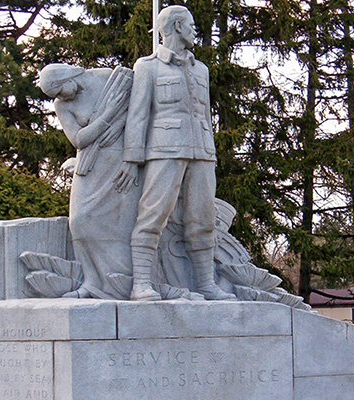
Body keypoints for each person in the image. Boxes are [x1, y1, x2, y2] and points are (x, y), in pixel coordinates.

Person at [114, 6, 236, 301]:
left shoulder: (200, 69)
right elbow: (138, 115)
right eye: (192, 25)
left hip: (202, 152)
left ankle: (206, 284)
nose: (196, 31)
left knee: (203, 219)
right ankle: (141, 283)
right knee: (153, 214)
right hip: (164, 150)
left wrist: (211, 154)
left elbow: (204, 114)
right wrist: (132, 159)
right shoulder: (148, 67)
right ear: (177, 26)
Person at [39, 64, 140, 299]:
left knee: (122, 224)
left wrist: (133, 159)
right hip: (90, 164)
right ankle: (92, 282)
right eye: (54, 95)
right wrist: (107, 118)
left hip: (121, 161)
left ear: (67, 76)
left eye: (59, 90)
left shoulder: (109, 79)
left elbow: (139, 114)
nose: (60, 97)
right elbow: (79, 139)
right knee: (80, 221)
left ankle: (124, 282)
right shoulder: (62, 105)